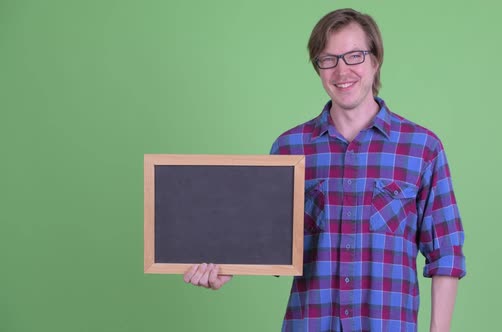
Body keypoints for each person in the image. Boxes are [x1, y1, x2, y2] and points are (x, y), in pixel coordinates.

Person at [184, 8, 466, 332]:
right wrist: (224, 267)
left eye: (354, 56)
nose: (342, 70)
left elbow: (446, 255)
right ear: (318, 67)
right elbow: (264, 246)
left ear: (375, 61)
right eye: (328, 59)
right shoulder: (289, 149)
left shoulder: (422, 148)